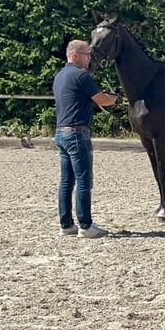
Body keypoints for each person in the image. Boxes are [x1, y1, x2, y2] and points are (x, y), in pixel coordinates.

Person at [53, 39, 119, 238]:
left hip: (61, 133)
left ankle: (66, 224)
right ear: (75, 54)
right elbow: (102, 100)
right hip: (77, 134)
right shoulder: (81, 76)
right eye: (86, 54)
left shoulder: (60, 76)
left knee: (66, 181)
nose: (89, 58)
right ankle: (86, 225)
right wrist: (116, 98)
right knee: (83, 181)